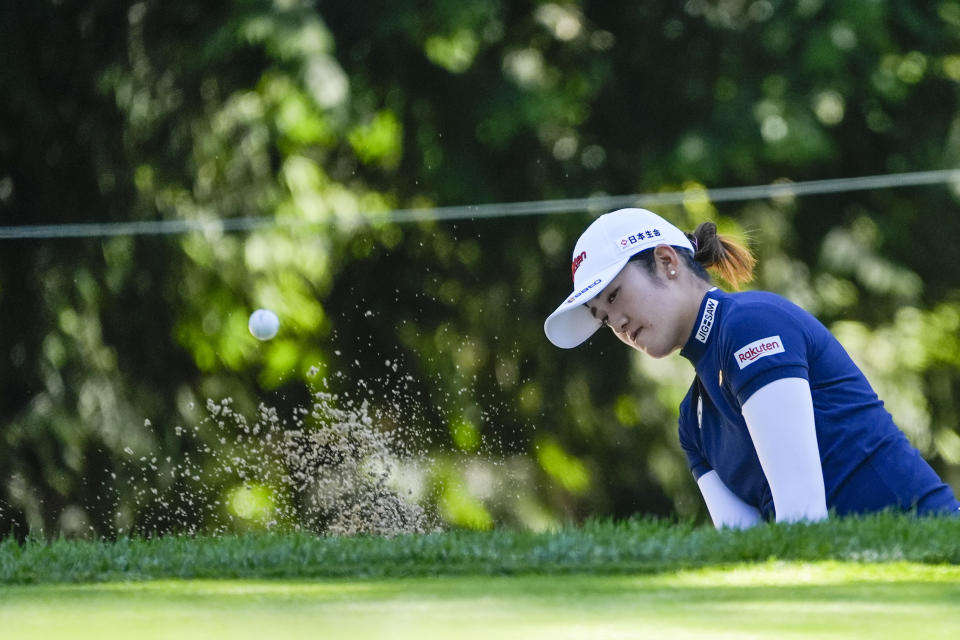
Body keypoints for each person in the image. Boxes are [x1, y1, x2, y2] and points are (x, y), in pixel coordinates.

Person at [544, 207, 959, 528]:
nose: (614, 323)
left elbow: (803, 517)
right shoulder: (693, 421)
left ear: (667, 262)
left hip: (936, 561)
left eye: (614, 297)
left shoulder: (750, 324)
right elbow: (746, 553)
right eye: (601, 317)